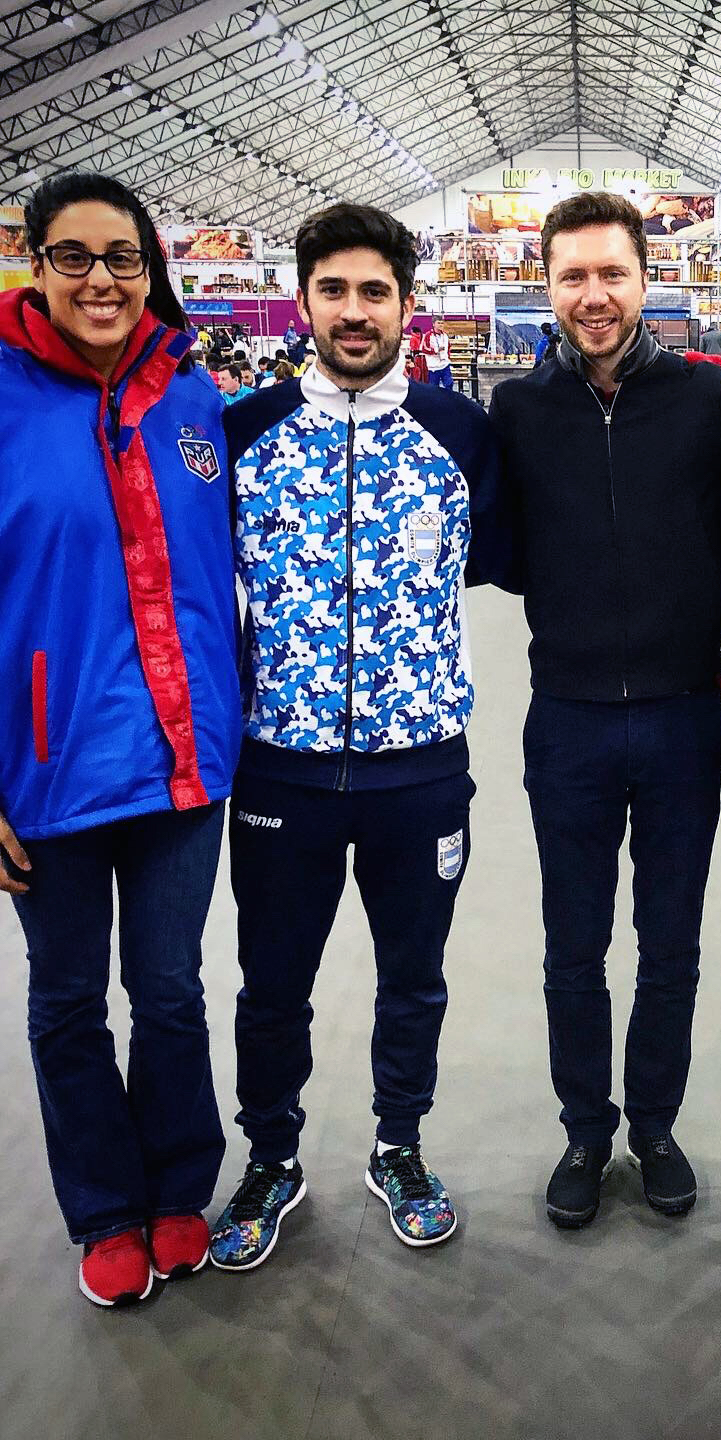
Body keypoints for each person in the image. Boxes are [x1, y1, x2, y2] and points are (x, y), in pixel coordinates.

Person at [207, 202, 514, 1272]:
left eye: (373, 291)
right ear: (302, 301)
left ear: (406, 306)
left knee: (413, 977)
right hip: (278, 766)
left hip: (420, 772)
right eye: (333, 290)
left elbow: (501, 560)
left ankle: (400, 1144)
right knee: (271, 982)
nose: (352, 311)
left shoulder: (462, 432)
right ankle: (272, 1157)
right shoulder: (240, 433)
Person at [487, 191, 721, 1231]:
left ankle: (653, 1123)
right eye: (573, 277)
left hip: (690, 717)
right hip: (565, 721)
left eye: (612, 273)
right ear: (546, 287)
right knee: (573, 947)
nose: (593, 296)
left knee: (672, 943)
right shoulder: (517, 412)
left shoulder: (708, 403)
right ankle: (584, 1128)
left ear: (647, 280)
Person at [0, 171, 242, 1307]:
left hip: (184, 763)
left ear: (153, 270)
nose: (102, 279)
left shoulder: (190, 401)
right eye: (75, 256)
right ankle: (104, 1210)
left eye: (124, 257)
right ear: (35, 266)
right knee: (64, 1003)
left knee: (172, 990)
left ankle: (181, 1188)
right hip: (43, 774)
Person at [426, 316, 454, 388]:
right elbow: (424, 349)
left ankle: (448, 399)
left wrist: (448, 358)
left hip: (445, 364)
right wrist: (436, 350)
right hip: (434, 367)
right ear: (433, 324)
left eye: (442, 323)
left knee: (449, 384)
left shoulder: (445, 335)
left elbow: (448, 348)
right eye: (438, 323)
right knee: (433, 388)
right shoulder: (428, 335)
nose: (440, 325)